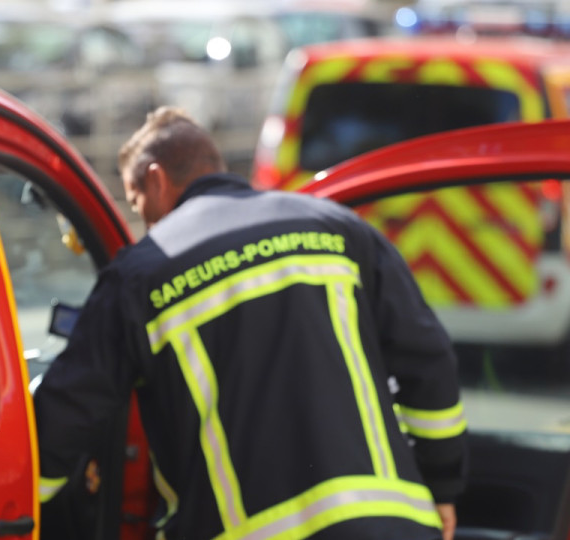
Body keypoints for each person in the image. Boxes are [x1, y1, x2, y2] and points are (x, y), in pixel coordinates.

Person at [34, 107, 467, 540]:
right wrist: (442, 484)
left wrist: (26, 498)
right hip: (386, 526)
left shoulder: (140, 276)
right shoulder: (337, 228)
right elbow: (429, 363)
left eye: (137, 203)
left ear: (155, 180)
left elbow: (70, 408)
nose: (144, 222)